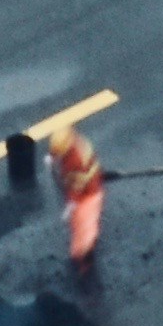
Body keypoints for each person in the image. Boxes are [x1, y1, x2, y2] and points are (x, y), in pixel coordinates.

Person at [49, 128, 108, 311]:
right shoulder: (72, 142)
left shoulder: (77, 160)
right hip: (81, 189)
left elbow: (77, 185)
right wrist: (53, 159)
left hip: (88, 196)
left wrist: (71, 203)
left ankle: (86, 264)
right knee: (77, 229)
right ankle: (79, 257)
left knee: (86, 234)